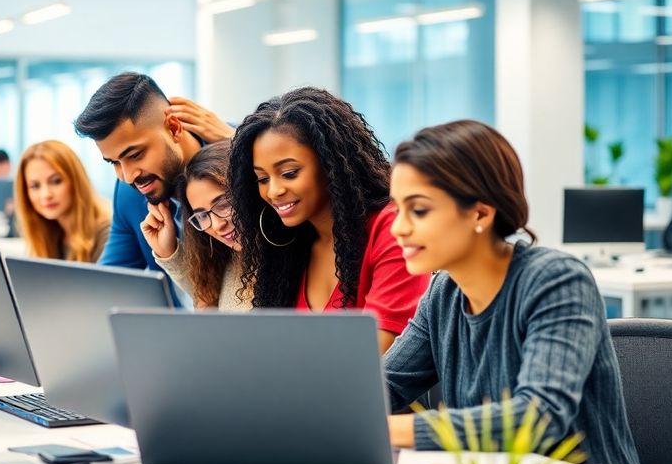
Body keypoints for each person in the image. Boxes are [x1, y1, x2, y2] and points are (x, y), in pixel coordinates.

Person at [383, 120, 642, 464]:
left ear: (480, 213)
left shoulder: (556, 280)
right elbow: (384, 387)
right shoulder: (442, 294)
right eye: (397, 209)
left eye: (419, 210)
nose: (398, 227)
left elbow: (539, 416)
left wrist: (390, 428)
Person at [228, 87, 429, 352]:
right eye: (262, 179)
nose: (273, 191)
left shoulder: (392, 229)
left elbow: (372, 358)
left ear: (330, 163)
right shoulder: (290, 246)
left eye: (289, 173)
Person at [73, 72, 233, 303]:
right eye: (114, 162)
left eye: (135, 155)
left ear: (174, 127)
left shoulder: (245, 153)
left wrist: (240, 144)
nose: (127, 176)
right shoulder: (130, 193)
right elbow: (106, 285)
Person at [141, 141, 250, 310]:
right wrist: (168, 251)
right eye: (202, 215)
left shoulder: (289, 259)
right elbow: (211, 298)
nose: (217, 225)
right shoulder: (230, 260)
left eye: (223, 204)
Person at [14, 140, 110, 263]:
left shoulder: (106, 234)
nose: (46, 194)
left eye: (56, 181)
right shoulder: (51, 234)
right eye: (35, 186)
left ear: (76, 181)